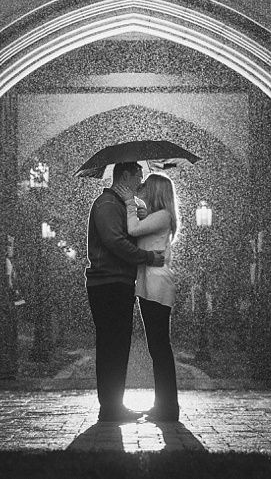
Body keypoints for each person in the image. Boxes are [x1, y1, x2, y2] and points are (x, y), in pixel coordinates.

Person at [85, 161, 166, 423]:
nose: (141, 183)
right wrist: (147, 257)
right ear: (126, 175)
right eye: (138, 176)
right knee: (112, 344)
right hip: (108, 283)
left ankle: (112, 405)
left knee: (117, 345)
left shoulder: (118, 204)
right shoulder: (107, 204)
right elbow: (115, 242)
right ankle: (109, 407)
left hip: (117, 282)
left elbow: (125, 235)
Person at [127, 172, 181, 422]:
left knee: (160, 346)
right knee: (157, 346)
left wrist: (129, 202)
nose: (142, 188)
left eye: (147, 186)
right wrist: (140, 213)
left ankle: (168, 407)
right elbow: (141, 230)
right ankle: (164, 404)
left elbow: (133, 229)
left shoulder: (162, 216)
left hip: (157, 283)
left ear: (157, 191)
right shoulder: (157, 216)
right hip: (151, 281)